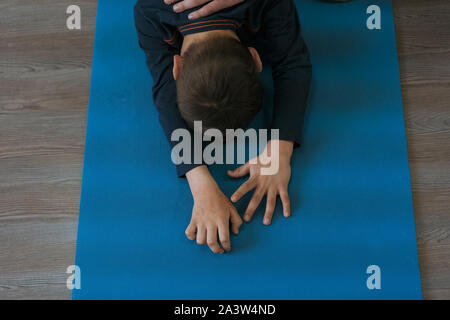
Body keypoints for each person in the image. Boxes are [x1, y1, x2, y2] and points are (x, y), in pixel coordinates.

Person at [134, 0, 312, 253]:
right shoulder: (149, 11)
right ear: (255, 58)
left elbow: (293, 66)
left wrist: (280, 151)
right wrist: (197, 178)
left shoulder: (149, 11)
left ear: (178, 67)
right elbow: (290, 64)